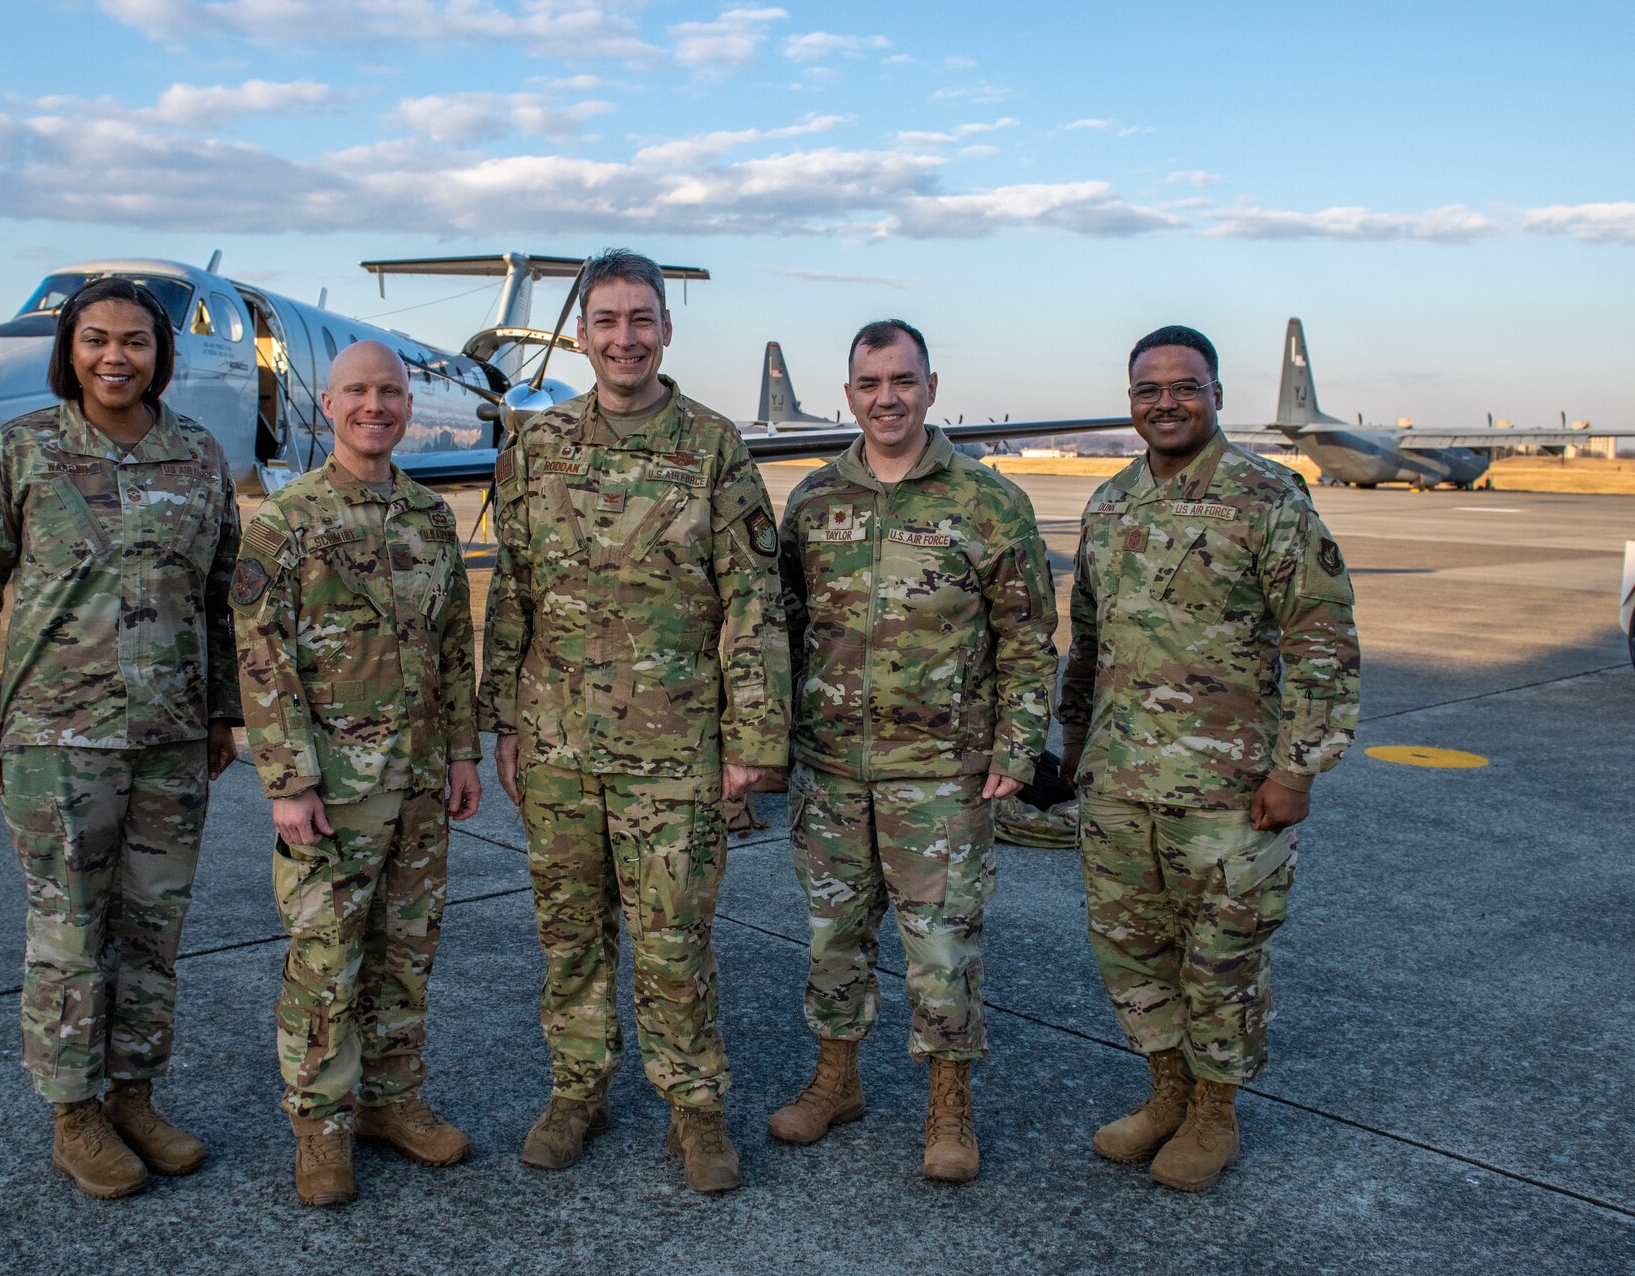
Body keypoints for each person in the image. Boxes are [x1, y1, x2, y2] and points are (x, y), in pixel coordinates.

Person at [477, 248, 790, 1194]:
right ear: (582, 335)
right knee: (569, 933)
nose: (624, 337)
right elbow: (514, 593)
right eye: (607, 320)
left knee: (673, 940)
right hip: (559, 744)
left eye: (640, 318)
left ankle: (695, 1109)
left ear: (666, 327)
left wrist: (755, 742)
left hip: (676, 751)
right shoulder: (536, 447)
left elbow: (752, 599)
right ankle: (580, 1089)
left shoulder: (712, 444)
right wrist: (503, 722)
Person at [0, 276, 241, 1200]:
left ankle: (134, 1096)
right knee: (71, 932)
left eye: (137, 341)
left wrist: (223, 710)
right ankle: (75, 1113)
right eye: (98, 339)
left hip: (173, 737)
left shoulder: (196, 453)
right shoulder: (23, 451)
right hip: (57, 736)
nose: (117, 357)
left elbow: (222, 592)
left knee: (152, 930)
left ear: (162, 354)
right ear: (70, 349)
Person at [1058, 324, 1360, 1192]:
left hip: (1231, 792)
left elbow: (1322, 646)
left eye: (1184, 385)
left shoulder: (1267, 499)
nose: (1166, 401)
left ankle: (1215, 1112)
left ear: (1216, 393)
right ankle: (1166, 1093)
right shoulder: (1111, 504)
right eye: (1148, 388)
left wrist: (1297, 768)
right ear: (1130, 401)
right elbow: (1088, 644)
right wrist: (1075, 747)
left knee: (1223, 956)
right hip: (1120, 782)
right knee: (1132, 952)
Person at [770, 319, 1057, 1182]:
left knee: (942, 948)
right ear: (848, 394)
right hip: (830, 771)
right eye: (869, 383)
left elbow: (1030, 634)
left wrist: (1019, 740)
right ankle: (836, 1082)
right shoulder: (814, 501)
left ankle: (949, 1107)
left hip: (942, 773)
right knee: (833, 938)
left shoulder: (987, 500)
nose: (885, 398)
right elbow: (782, 629)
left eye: (902, 380)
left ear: (931, 386)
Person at [232, 341, 481, 1208]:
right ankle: (321, 1125)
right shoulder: (285, 521)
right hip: (333, 790)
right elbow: (263, 663)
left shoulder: (429, 517)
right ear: (327, 406)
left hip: (417, 784)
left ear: (408, 405)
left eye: (391, 392)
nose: (376, 405)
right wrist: (288, 781)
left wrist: (461, 751)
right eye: (358, 393)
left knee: (407, 952)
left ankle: (394, 1100)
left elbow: (454, 649)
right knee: (327, 958)